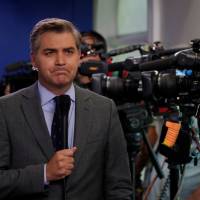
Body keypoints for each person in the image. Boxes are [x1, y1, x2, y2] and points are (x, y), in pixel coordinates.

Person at [0, 18, 132, 200]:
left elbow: (120, 186)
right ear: (34, 60)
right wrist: (44, 173)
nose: (60, 61)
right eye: (50, 53)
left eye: (68, 52)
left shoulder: (104, 109)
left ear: (78, 56)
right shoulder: (6, 109)